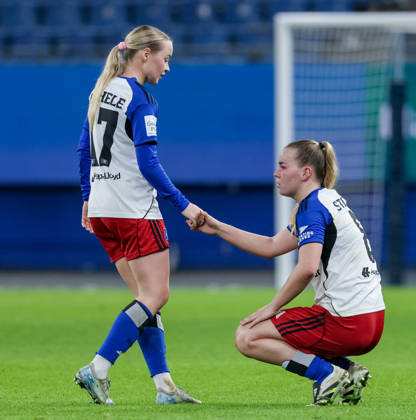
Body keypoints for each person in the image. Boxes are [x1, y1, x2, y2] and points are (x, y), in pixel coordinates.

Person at [190, 139, 385, 406]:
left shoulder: (312, 207)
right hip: (372, 319)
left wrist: (272, 307)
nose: (276, 173)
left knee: (248, 336)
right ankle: (347, 371)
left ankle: (327, 374)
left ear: (306, 172)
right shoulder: (327, 199)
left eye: (283, 166)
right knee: (274, 330)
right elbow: (271, 246)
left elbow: (307, 268)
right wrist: (217, 227)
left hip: (346, 322)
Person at [75, 25, 203, 405]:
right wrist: (183, 204)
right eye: (166, 58)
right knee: (157, 294)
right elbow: (148, 164)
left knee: (144, 300)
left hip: (103, 211)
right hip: (134, 210)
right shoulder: (141, 98)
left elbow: (84, 150)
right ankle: (98, 368)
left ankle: (164, 387)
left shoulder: (102, 91)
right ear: (145, 54)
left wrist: (87, 197)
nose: (167, 67)